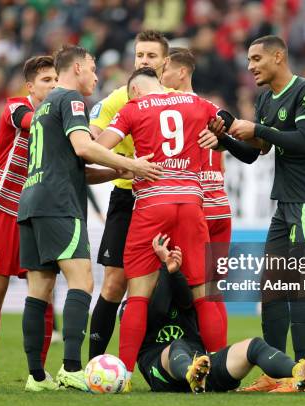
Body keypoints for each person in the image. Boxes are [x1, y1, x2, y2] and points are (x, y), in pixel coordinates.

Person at [16, 45, 162, 392]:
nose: (96, 77)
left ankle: (37, 377)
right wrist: (131, 164)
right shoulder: (70, 100)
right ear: (78, 67)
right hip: (59, 205)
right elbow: (83, 147)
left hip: (32, 201)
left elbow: (75, 168)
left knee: (39, 291)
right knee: (82, 281)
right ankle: (71, 368)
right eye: (93, 69)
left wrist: (117, 171)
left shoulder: (42, 107)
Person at [217, 35, 305, 392]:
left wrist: (257, 128)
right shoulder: (264, 99)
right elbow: (257, 152)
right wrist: (225, 136)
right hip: (287, 202)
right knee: (270, 287)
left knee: (298, 284)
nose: (251, 66)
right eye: (248, 60)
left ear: (278, 56)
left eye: (256, 58)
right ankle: (276, 373)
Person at [96, 67, 229, 387]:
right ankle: (221, 371)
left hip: (152, 204)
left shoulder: (133, 108)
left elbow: (100, 146)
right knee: (205, 295)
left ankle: (124, 376)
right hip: (191, 204)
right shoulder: (195, 102)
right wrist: (218, 135)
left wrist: (128, 164)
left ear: (136, 92)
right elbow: (227, 121)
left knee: (138, 296)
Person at [160, 47, 262, 348]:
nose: (159, 76)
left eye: (164, 69)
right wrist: (226, 140)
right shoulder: (211, 109)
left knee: (197, 292)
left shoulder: (168, 111)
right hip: (220, 206)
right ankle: (220, 356)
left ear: (181, 72)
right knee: (214, 291)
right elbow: (252, 149)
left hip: (195, 207)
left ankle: (207, 359)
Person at [137, 233, 305, 394]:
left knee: (254, 345)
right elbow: (157, 311)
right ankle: (191, 374)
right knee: (178, 346)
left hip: (203, 367)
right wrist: (163, 267)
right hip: (163, 372)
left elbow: (186, 301)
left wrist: (173, 270)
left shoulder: (183, 291)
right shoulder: (133, 304)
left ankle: (300, 371)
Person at [0, 56, 57, 389]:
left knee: (44, 293)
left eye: (55, 79)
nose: (52, 85)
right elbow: (32, 122)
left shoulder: (61, 118)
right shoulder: (15, 107)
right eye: (46, 80)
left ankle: (39, 372)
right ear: (30, 86)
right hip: (3, 209)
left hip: (37, 213)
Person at [88, 30, 171, 361]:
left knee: (168, 286)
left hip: (168, 199)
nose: (145, 61)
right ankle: (93, 364)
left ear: (165, 62)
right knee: (113, 285)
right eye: (140, 56)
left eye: (151, 56)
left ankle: (162, 359)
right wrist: (125, 166)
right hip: (127, 198)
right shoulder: (116, 100)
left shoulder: (178, 99)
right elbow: (90, 144)